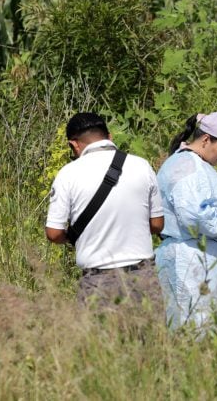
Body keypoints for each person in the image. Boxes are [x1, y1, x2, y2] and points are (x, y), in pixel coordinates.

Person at [45, 112, 164, 309]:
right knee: (149, 337)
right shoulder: (142, 166)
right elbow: (157, 224)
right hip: (143, 276)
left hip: (98, 280)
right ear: (109, 137)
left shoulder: (68, 174)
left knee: (101, 339)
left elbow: (53, 233)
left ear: (74, 144)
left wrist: (73, 238)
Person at [155, 112, 217, 333]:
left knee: (205, 327)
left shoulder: (196, 164)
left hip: (199, 256)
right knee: (195, 329)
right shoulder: (187, 166)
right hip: (191, 258)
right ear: (206, 139)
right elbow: (194, 217)